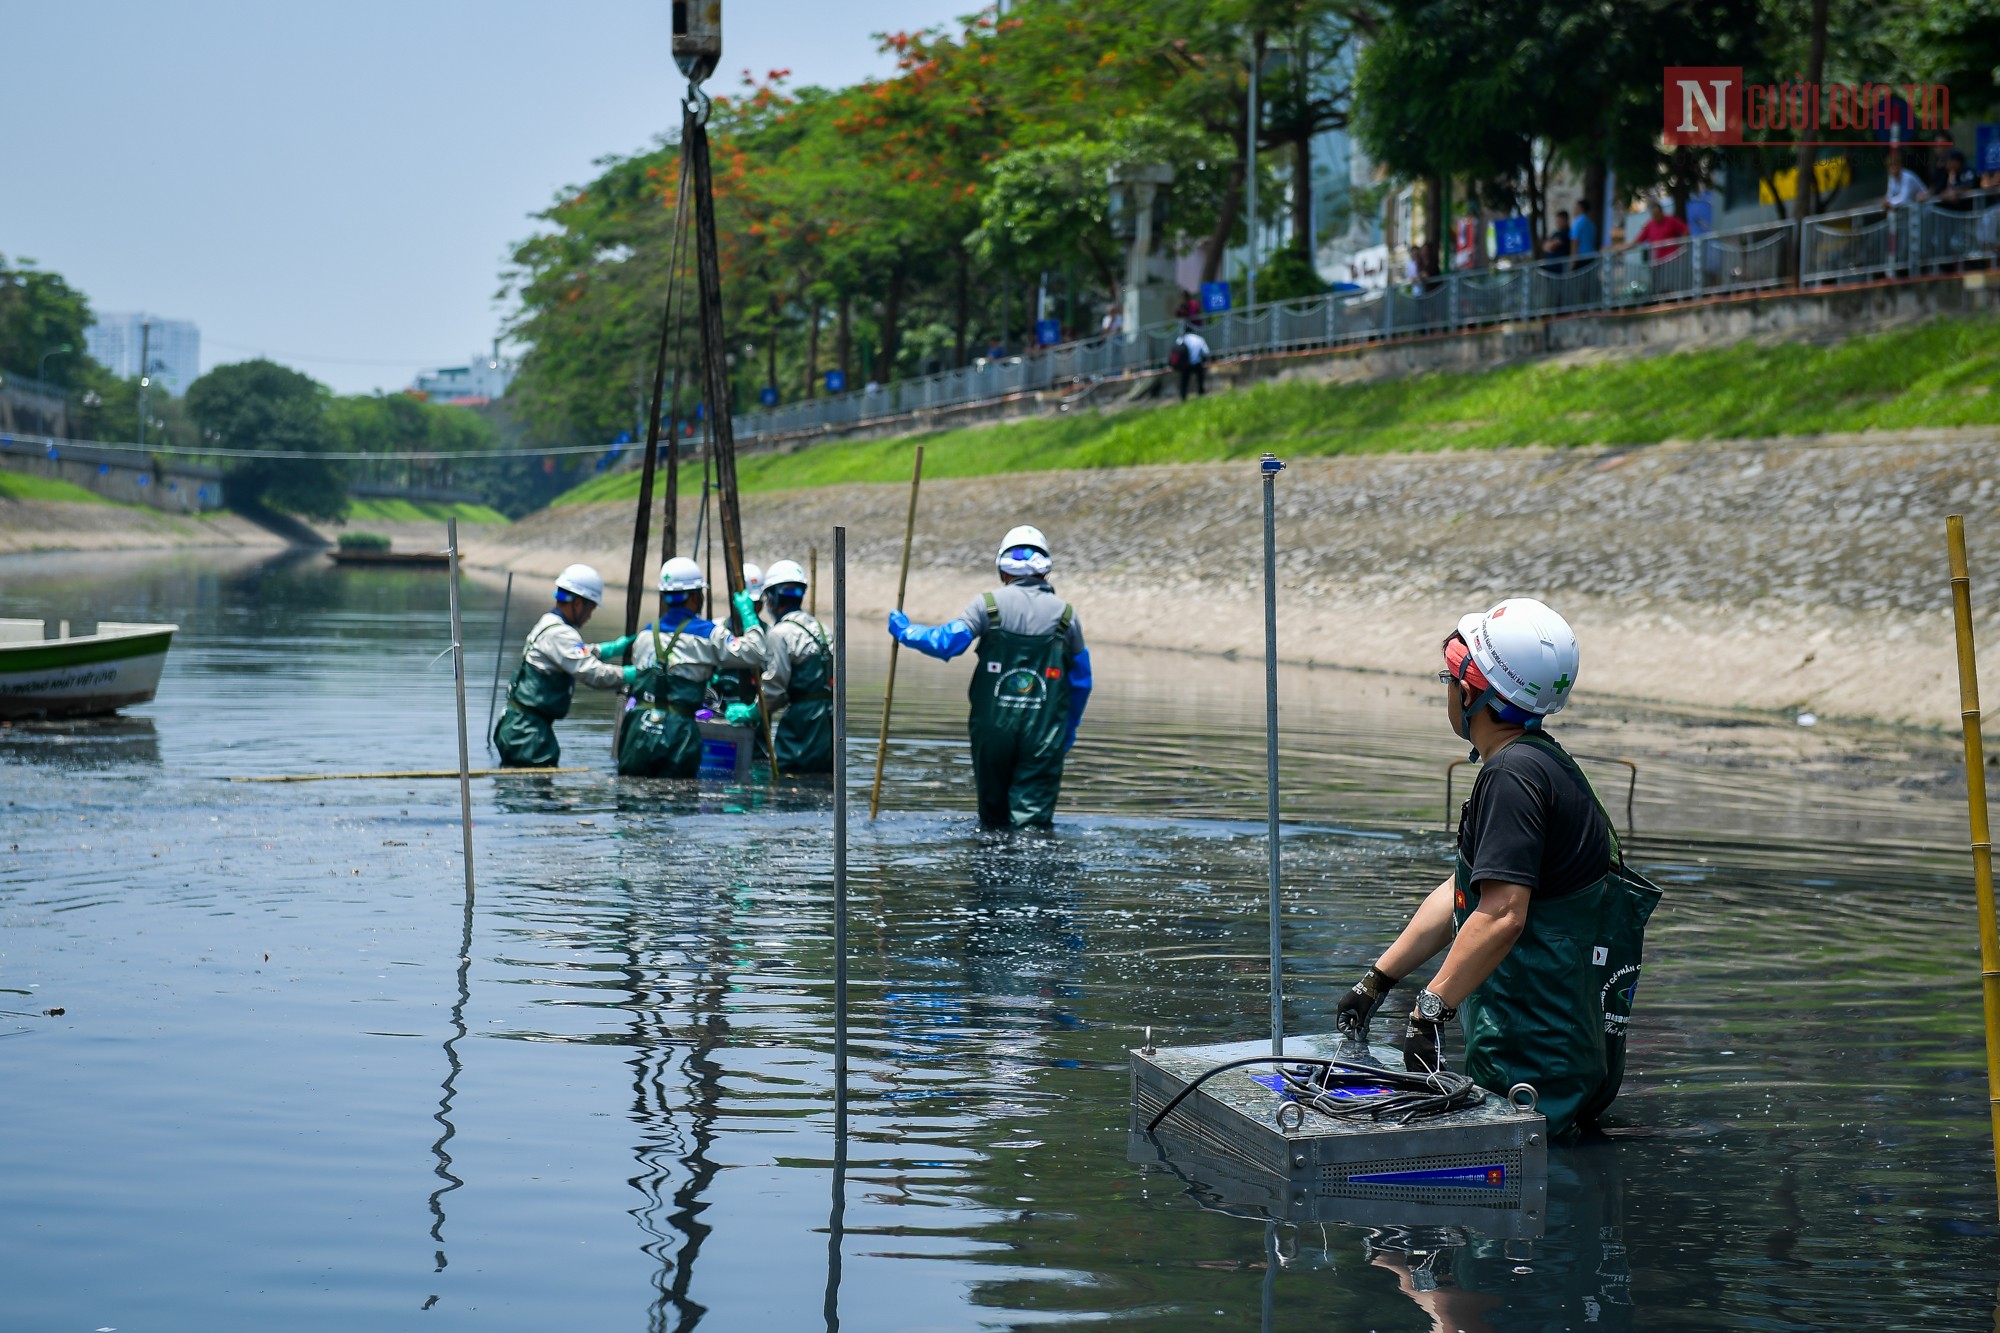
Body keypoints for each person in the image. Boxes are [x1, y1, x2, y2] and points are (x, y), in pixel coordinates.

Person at [1332, 598, 1661, 1139]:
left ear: (1470, 694)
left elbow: (1504, 914)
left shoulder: (1511, 777)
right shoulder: (1545, 762)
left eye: (1449, 678)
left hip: (1532, 1062)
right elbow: (1468, 891)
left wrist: (1429, 1011)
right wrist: (1378, 980)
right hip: (1568, 1057)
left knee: (1516, 1208)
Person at [886, 525, 1092, 828]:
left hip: (993, 730)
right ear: (1045, 571)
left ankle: (994, 871)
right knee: (1033, 824)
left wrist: (907, 632)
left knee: (993, 822)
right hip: (1045, 734)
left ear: (1002, 569)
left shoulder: (987, 606)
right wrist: (1068, 729)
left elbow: (946, 643)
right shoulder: (1066, 616)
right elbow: (1081, 682)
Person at [616, 556, 766, 778]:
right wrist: (749, 616)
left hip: (638, 728)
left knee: (631, 798)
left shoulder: (645, 634)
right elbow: (755, 652)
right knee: (678, 802)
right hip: (678, 733)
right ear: (696, 596)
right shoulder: (707, 634)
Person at [493, 564, 637, 768]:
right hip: (527, 734)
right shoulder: (561, 634)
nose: (590, 616)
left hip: (519, 727)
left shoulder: (550, 623)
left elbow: (572, 654)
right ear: (578, 604)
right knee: (535, 794)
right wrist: (635, 674)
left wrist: (610, 649)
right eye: (591, 608)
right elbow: (595, 675)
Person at [758, 559, 834, 774]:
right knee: (825, 781)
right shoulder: (824, 630)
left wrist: (754, 712)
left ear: (771, 597)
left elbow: (775, 688)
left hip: (803, 725)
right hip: (830, 721)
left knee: (791, 778)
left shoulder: (780, 633)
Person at [1170, 324, 1210, 400]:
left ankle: (1183, 396)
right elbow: (1206, 352)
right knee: (1200, 377)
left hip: (1185, 364)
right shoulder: (1199, 339)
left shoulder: (1180, 339)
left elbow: (1176, 350)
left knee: (1184, 381)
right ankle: (1200, 391)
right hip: (1197, 363)